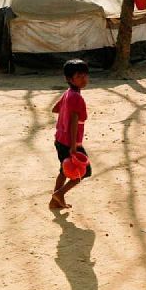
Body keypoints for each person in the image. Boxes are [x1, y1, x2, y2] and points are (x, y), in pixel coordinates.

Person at [49, 59, 93, 209]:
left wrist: (65, 112)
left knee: (64, 170)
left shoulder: (68, 94)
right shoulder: (77, 97)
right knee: (84, 171)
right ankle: (60, 194)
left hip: (60, 139)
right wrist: (74, 147)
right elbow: (75, 121)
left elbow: (55, 109)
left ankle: (54, 201)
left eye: (85, 75)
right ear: (69, 79)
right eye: (79, 76)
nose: (84, 79)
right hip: (70, 142)